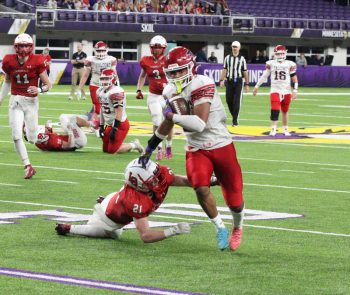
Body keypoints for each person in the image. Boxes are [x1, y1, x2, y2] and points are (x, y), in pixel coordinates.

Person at [139, 46, 245, 251]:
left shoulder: (202, 83)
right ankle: (220, 227)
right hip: (196, 147)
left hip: (220, 143)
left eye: (180, 71)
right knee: (200, 186)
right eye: (173, 72)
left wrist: (171, 115)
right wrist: (151, 145)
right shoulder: (169, 90)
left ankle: (237, 226)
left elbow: (199, 124)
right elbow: (168, 123)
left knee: (235, 200)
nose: (177, 76)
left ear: (191, 67)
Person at [55, 158, 192, 243]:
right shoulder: (134, 201)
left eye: (156, 173)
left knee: (118, 231)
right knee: (112, 233)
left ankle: (109, 202)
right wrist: (172, 231)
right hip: (107, 218)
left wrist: (209, 181)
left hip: (117, 200)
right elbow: (146, 236)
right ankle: (70, 228)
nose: (159, 178)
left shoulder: (157, 174)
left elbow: (182, 180)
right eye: (153, 178)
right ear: (140, 185)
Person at [0, 33, 51, 179]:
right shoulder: (9, 60)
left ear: (31, 47)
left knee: (33, 138)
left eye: (26, 46)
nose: (23, 49)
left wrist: (39, 89)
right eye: (21, 45)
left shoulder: (38, 60)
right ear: (16, 47)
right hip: (15, 101)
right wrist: (1, 98)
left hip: (31, 103)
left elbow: (48, 85)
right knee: (15, 136)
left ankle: (43, 129)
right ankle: (27, 166)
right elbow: (8, 80)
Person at [136, 35, 173, 161]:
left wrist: (169, 86)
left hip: (167, 96)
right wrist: (139, 89)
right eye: (154, 47)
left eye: (159, 47)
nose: (156, 50)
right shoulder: (146, 60)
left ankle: (169, 146)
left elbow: (174, 76)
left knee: (169, 122)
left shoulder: (169, 60)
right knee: (157, 121)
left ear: (163, 48)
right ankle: (159, 148)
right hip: (153, 96)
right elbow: (142, 76)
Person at [253, 45, 298, 136]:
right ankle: (273, 129)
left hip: (287, 90)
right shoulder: (271, 63)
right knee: (275, 109)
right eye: (278, 54)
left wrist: (295, 90)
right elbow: (264, 76)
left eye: (282, 53)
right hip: (275, 89)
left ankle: (285, 129)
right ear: (275, 54)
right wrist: (257, 86)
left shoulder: (290, 64)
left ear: (285, 53)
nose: (280, 55)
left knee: (285, 111)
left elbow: (294, 78)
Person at [98, 68, 144, 154]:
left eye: (107, 78)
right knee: (105, 150)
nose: (104, 81)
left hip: (120, 124)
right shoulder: (100, 91)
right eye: (102, 79)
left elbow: (119, 111)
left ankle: (134, 145)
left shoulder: (116, 92)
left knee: (113, 151)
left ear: (113, 79)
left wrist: (115, 128)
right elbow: (102, 108)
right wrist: (101, 125)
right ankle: (120, 144)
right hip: (110, 124)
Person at [78, 41, 118, 120]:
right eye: (99, 51)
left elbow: (114, 73)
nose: (100, 52)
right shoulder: (90, 59)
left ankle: (90, 116)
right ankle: (96, 124)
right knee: (98, 107)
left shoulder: (111, 59)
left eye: (102, 50)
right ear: (95, 50)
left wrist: (117, 85)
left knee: (110, 107)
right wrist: (79, 89)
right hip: (95, 85)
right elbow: (85, 75)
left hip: (108, 86)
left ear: (106, 50)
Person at [219, 41, 249, 126]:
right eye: (233, 47)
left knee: (237, 102)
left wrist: (247, 84)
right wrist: (221, 80)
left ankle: (235, 121)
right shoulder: (227, 58)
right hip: (229, 81)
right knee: (228, 100)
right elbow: (225, 69)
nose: (234, 48)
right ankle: (234, 116)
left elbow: (245, 71)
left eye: (236, 47)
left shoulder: (242, 59)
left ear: (239, 48)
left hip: (239, 81)